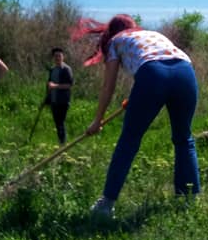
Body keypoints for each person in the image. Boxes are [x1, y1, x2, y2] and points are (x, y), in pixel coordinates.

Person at [73, 14, 201, 220]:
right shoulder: (151, 33)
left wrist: (97, 120)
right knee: (184, 139)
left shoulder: (116, 41)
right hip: (185, 72)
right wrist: (138, 97)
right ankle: (190, 200)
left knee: (129, 140)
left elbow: (109, 87)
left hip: (152, 75)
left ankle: (106, 204)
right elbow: (164, 65)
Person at [47, 46, 73, 144]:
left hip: (63, 100)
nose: (57, 58)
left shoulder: (66, 69)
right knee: (57, 123)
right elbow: (49, 84)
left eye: (59, 56)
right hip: (53, 100)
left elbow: (69, 85)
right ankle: (61, 141)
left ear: (63, 57)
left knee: (60, 122)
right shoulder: (52, 69)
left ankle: (63, 143)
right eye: (55, 56)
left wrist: (55, 86)